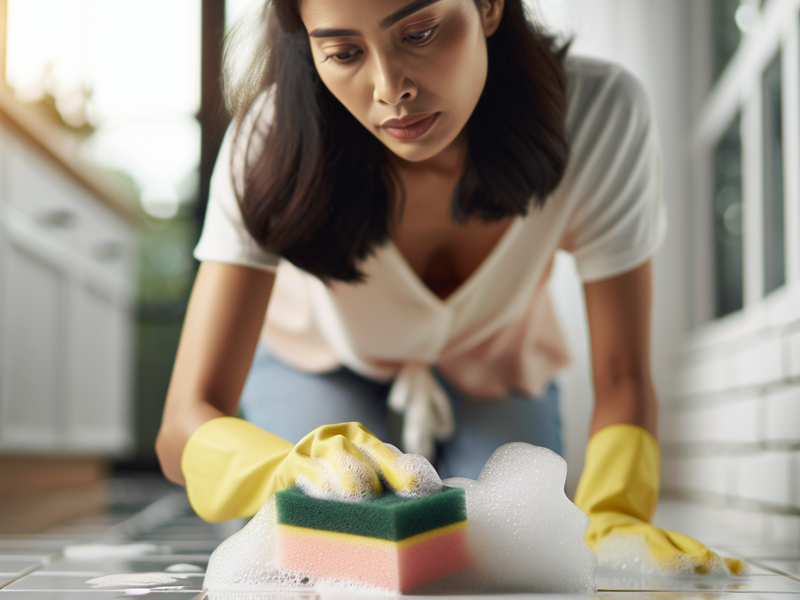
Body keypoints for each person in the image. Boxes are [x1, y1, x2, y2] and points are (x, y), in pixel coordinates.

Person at [156, 0, 744, 575]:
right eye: (343, 51)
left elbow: (622, 377)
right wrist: (282, 468)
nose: (389, 88)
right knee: (330, 536)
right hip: (317, 361)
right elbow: (184, 422)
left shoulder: (600, 113)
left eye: (420, 32)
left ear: (489, 6)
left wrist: (615, 514)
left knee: (515, 545)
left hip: (497, 364)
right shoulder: (272, 140)